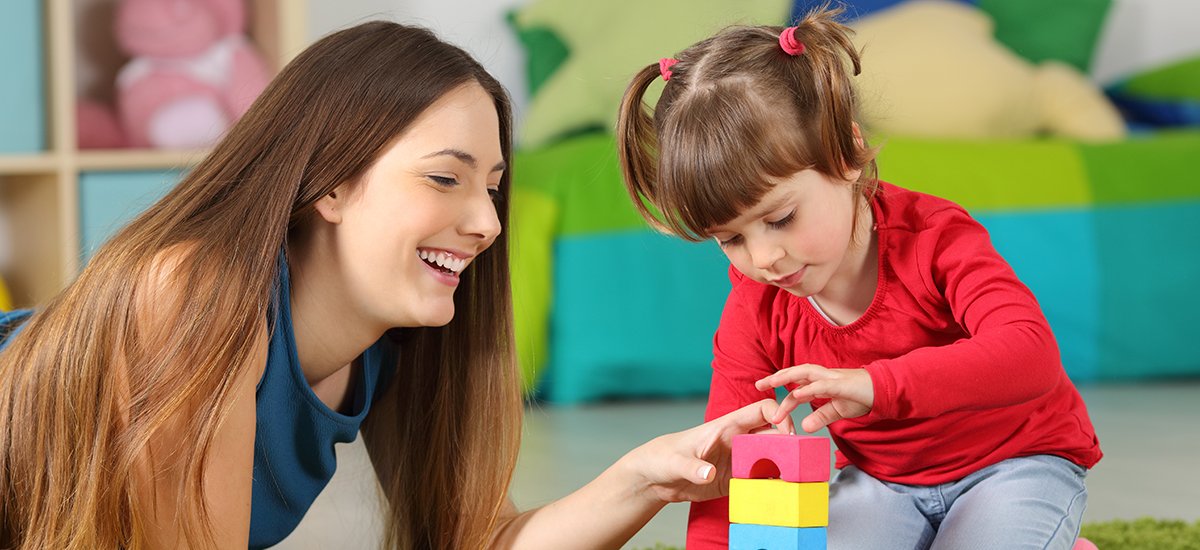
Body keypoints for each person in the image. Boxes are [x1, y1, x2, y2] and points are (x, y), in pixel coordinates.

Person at [0, 22, 793, 550]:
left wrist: (646, 477)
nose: (486, 222)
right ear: (331, 186)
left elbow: (477, 541)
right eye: (446, 178)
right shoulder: (191, 289)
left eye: (492, 187)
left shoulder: (395, 347)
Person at [615, 6, 1102, 550]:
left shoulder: (935, 237)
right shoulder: (755, 303)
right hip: (882, 482)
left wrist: (879, 386)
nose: (764, 258)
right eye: (731, 239)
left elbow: (1028, 352)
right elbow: (725, 458)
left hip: (1015, 461)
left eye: (780, 219)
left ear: (845, 153)